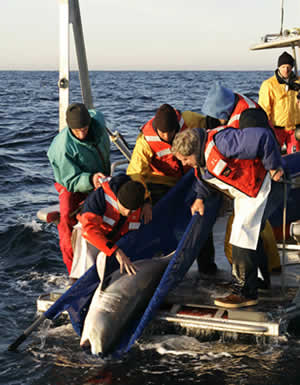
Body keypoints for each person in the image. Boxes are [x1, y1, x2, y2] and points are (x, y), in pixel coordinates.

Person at [171, 108, 285, 308]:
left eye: (185, 160)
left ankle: (245, 292)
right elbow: (204, 177)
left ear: (193, 151)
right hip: (245, 193)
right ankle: (258, 281)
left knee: (243, 236)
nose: (186, 164)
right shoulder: (201, 157)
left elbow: (263, 137)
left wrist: (274, 166)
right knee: (243, 235)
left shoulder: (222, 142)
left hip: (260, 185)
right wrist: (199, 198)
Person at [127, 103, 219, 274]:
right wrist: (145, 200)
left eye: (171, 132)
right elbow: (135, 173)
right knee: (163, 221)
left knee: (201, 216)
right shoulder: (145, 140)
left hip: (190, 178)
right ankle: (164, 265)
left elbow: (212, 126)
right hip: (160, 183)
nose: (168, 136)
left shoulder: (190, 120)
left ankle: (207, 266)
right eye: (164, 133)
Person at [47, 103, 111, 274]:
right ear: (69, 127)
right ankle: (73, 271)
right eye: (77, 131)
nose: (82, 133)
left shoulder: (98, 120)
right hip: (70, 181)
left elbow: (94, 111)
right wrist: (91, 179)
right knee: (67, 217)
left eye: (84, 128)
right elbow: (70, 179)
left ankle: (107, 258)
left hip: (99, 176)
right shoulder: (61, 148)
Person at [70, 174, 147, 278]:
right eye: (124, 208)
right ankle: (78, 281)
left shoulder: (137, 197)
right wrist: (115, 251)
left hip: (116, 236)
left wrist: (148, 203)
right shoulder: (98, 199)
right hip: (92, 235)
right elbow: (89, 230)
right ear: (117, 199)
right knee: (86, 249)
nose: (128, 213)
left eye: (133, 210)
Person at [259, 51, 300, 154]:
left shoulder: (298, 83)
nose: (286, 70)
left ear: (292, 67)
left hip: (295, 129)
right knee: (273, 156)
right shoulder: (268, 85)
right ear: (278, 67)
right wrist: (265, 128)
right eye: (283, 67)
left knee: (295, 158)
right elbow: (264, 109)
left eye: (288, 67)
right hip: (277, 129)